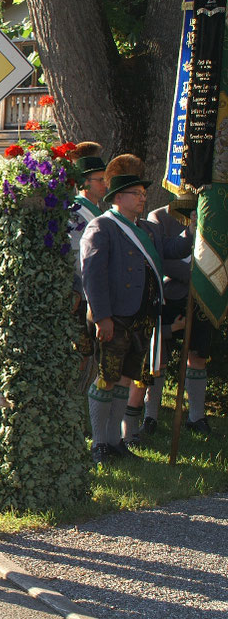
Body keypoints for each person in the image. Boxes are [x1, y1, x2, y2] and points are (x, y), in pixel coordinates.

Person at [81, 166, 192, 465]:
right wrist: (102, 316)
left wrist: (194, 226)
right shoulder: (103, 227)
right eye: (136, 194)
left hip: (143, 316)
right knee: (106, 378)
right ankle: (99, 443)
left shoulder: (150, 229)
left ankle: (116, 441)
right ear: (118, 197)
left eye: (144, 194)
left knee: (126, 380)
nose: (143, 198)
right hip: (115, 316)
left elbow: (175, 247)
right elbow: (92, 275)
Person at [146, 197, 212, 436]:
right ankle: (150, 416)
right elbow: (161, 259)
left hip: (201, 298)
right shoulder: (159, 217)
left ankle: (196, 417)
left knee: (198, 355)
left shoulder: (211, 215)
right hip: (169, 295)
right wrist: (193, 276)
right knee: (158, 357)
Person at [68, 144, 108, 395]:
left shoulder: (98, 211)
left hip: (95, 289)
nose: (105, 184)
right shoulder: (75, 210)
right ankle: (74, 395)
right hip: (81, 290)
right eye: (100, 180)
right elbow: (75, 254)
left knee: (91, 349)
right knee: (82, 349)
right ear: (85, 182)